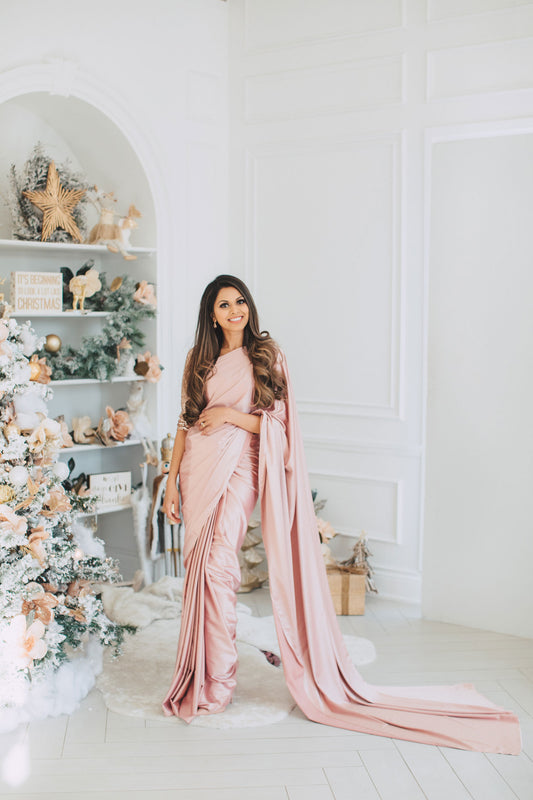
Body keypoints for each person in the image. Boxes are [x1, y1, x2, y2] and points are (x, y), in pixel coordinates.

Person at [161, 275, 521, 754]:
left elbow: (278, 425)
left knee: (219, 565)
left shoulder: (267, 355)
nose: (235, 311)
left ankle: (220, 681)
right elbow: (187, 421)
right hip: (198, 469)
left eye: (240, 301)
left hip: (241, 468)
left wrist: (227, 416)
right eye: (224, 304)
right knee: (200, 571)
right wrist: (170, 481)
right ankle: (203, 673)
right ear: (211, 313)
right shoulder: (197, 359)